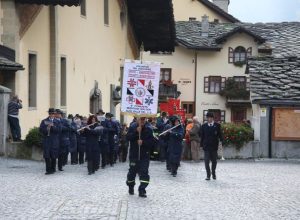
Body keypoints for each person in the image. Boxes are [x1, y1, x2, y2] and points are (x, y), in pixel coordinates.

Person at [126, 117, 153, 198]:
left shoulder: (149, 129)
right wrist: (136, 132)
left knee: (144, 173)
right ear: (137, 119)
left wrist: (143, 142)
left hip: (144, 155)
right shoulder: (132, 127)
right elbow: (128, 137)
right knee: (132, 173)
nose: (142, 121)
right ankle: (131, 186)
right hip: (134, 154)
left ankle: (142, 190)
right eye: (141, 119)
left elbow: (152, 143)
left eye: (144, 119)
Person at [201, 112, 224, 180]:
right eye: (208, 118)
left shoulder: (217, 125)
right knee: (206, 161)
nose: (209, 119)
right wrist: (201, 144)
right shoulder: (204, 126)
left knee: (214, 161)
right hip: (206, 146)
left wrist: (222, 140)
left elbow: (220, 134)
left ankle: (213, 172)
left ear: (212, 118)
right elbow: (202, 136)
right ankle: (208, 174)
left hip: (214, 146)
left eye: (210, 118)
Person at [39, 108, 61, 175]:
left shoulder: (57, 122)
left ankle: (53, 168)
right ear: (49, 114)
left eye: (53, 113)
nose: (52, 115)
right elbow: (40, 130)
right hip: (47, 140)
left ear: (54, 114)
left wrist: (53, 127)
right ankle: (48, 170)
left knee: (53, 156)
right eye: (51, 113)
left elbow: (59, 130)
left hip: (54, 141)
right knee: (47, 156)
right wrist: (47, 128)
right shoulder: (44, 121)